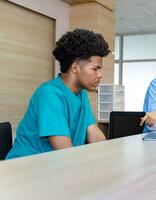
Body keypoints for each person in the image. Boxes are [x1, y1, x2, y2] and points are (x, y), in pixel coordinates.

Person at [6, 28, 109, 159]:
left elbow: (94, 133)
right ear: (75, 68)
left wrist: (108, 157)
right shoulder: (49, 94)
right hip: (27, 169)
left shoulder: (81, 93)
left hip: (56, 166)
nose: (100, 75)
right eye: (95, 69)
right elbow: (64, 151)